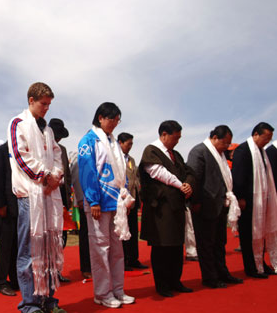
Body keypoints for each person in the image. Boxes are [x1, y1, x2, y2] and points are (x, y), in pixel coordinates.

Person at [7, 82, 66, 313]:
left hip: (49, 196)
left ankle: (48, 300)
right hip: (29, 197)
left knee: (50, 250)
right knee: (30, 251)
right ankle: (30, 305)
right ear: (31, 100)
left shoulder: (48, 130)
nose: (46, 108)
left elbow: (58, 155)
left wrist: (56, 177)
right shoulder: (17, 124)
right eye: (43, 104)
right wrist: (45, 177)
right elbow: (20, 157)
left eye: (49, 104)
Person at [78, 102, 135, 309]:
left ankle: (118, 290)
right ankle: (102, 293)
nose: (115, 124)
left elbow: (121, 172)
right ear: (100, 117)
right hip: (98, 204)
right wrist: (93, 200)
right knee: (100, 250)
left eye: (118, 120)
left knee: (117, 250)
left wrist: (125, 194)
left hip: (115, 203)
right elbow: (87, 171)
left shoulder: (113, 142)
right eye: (112, 119)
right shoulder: (88, 141)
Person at [139, 120, 195, 297]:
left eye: (179, 138)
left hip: (177, 207)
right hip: (160, 209)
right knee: (162, 247)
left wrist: (188, 184)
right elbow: (159, 173)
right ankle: (162, 284)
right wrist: (181, 185)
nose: (177, 141)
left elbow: (190, 172)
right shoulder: (151, 151)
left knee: (177, 246)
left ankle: (175, 281)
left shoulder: (176, 155)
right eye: (175, 137)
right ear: (163, 134)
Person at [187, 125, 243, 288]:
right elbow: (194, 179)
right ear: (215, 138)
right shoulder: (199, 152)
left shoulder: (221, 155)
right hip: (204, 206)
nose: (227, 147)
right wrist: (196, 202)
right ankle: (210, 277)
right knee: (206, 244)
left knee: (220, 243)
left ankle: (222, 273)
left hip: (220, 205)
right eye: (225, 143)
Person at [232, 122, 277, 278]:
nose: (267, 141)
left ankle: (261, 263)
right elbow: (237, 177)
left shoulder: (262, 153)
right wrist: (240, 197)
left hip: (262, 201)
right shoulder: (243, 150)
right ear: (256, 134)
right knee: (248, 235)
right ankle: (251, 268)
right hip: (248, 202)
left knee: (261, 234)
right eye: (266, 138)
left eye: (270, 139)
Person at [0, 141, 19, 296]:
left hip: (19, 207)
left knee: (16, 246)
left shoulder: (21, 151)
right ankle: (0, 281)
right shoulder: (0, 151)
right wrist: (0, 205)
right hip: (5, 208)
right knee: (4, 247)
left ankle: (15, 279)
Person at [117, 132, 148, 270]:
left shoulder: (132, 160)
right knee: (123, 230)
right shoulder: (115, 159)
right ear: (120, 143)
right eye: (128, 143)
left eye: (132, 144)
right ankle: (123, 261)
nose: (130, 146)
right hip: (122, 200)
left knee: (133, 231)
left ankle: (133, 258)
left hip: (134, 200)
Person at [49, 118, 72, 283]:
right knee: (47, 236)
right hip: (48, 194)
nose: (58, 139)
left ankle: (56, 271)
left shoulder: (62, 150)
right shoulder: (42, 146)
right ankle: (46, 272)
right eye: (56, 135)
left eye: (60, 136)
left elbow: (68, 175)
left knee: (62, 237)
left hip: (62, 196)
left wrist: (69, 199)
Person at [69, 151, 91, 280]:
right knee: (86, 235)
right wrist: (81, 199)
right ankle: (87, 267)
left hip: (101, 202)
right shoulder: (81, 158)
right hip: (86, 202)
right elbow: (77, 179)